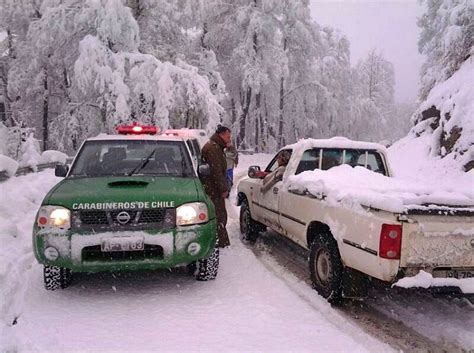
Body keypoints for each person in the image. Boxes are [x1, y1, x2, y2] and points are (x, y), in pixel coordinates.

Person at [200, 125, 232, 248]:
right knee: (218, 215)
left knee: (220, 214)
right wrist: (223, 188)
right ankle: (219, 242)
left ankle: (220, 240)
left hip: (213, 188)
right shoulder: (213, 149)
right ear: (221, 135)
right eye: (228, 137)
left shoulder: (216, 147)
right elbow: (216, 171)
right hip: (213, 189)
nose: (229, 140)